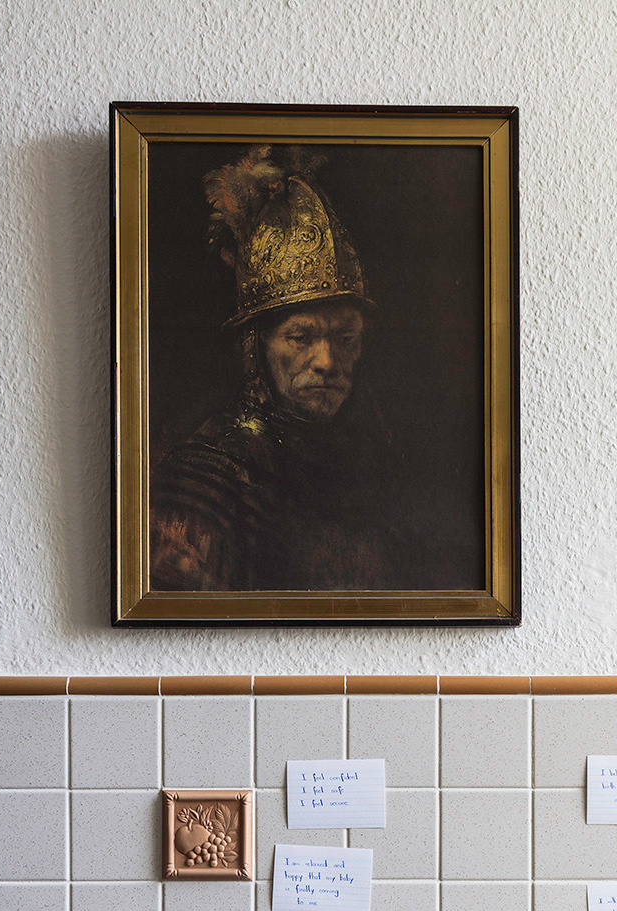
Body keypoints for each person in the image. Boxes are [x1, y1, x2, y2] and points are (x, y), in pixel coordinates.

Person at [150, 154, 442, 594]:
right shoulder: (204, 480)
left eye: (344, 338)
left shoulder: (376, 465)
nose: (327, 361)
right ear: (257, 347)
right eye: (301, 337)